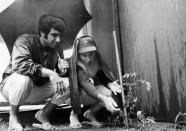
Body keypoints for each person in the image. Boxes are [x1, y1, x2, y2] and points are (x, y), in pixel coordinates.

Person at [0, 14, 70, 130]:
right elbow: (21, 65)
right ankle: (13, 117)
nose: (58, 40)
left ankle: (43, 114)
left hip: (36, 89)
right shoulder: (24, 40)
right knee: (24, 79)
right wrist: (51, 73)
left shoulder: (57, 49)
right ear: (43, 33)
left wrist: (62, 71)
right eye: (54, 35)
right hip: (12, 88)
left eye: (60, 36)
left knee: (68, 84)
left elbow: (57, 75)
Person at [69, 35, 121, 128]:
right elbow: (85, 83)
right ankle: (74, 114)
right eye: (84, 55)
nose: (88, 59)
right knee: (88, 86)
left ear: (95, 52)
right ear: (78, 53)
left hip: (91, 89)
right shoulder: (77, 64)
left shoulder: (97, 60)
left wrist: (111, 85)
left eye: (91, 54)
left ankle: (89, 113)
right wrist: (104, 99)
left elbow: (102, 77)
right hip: (75, 92)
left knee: (108, 93)